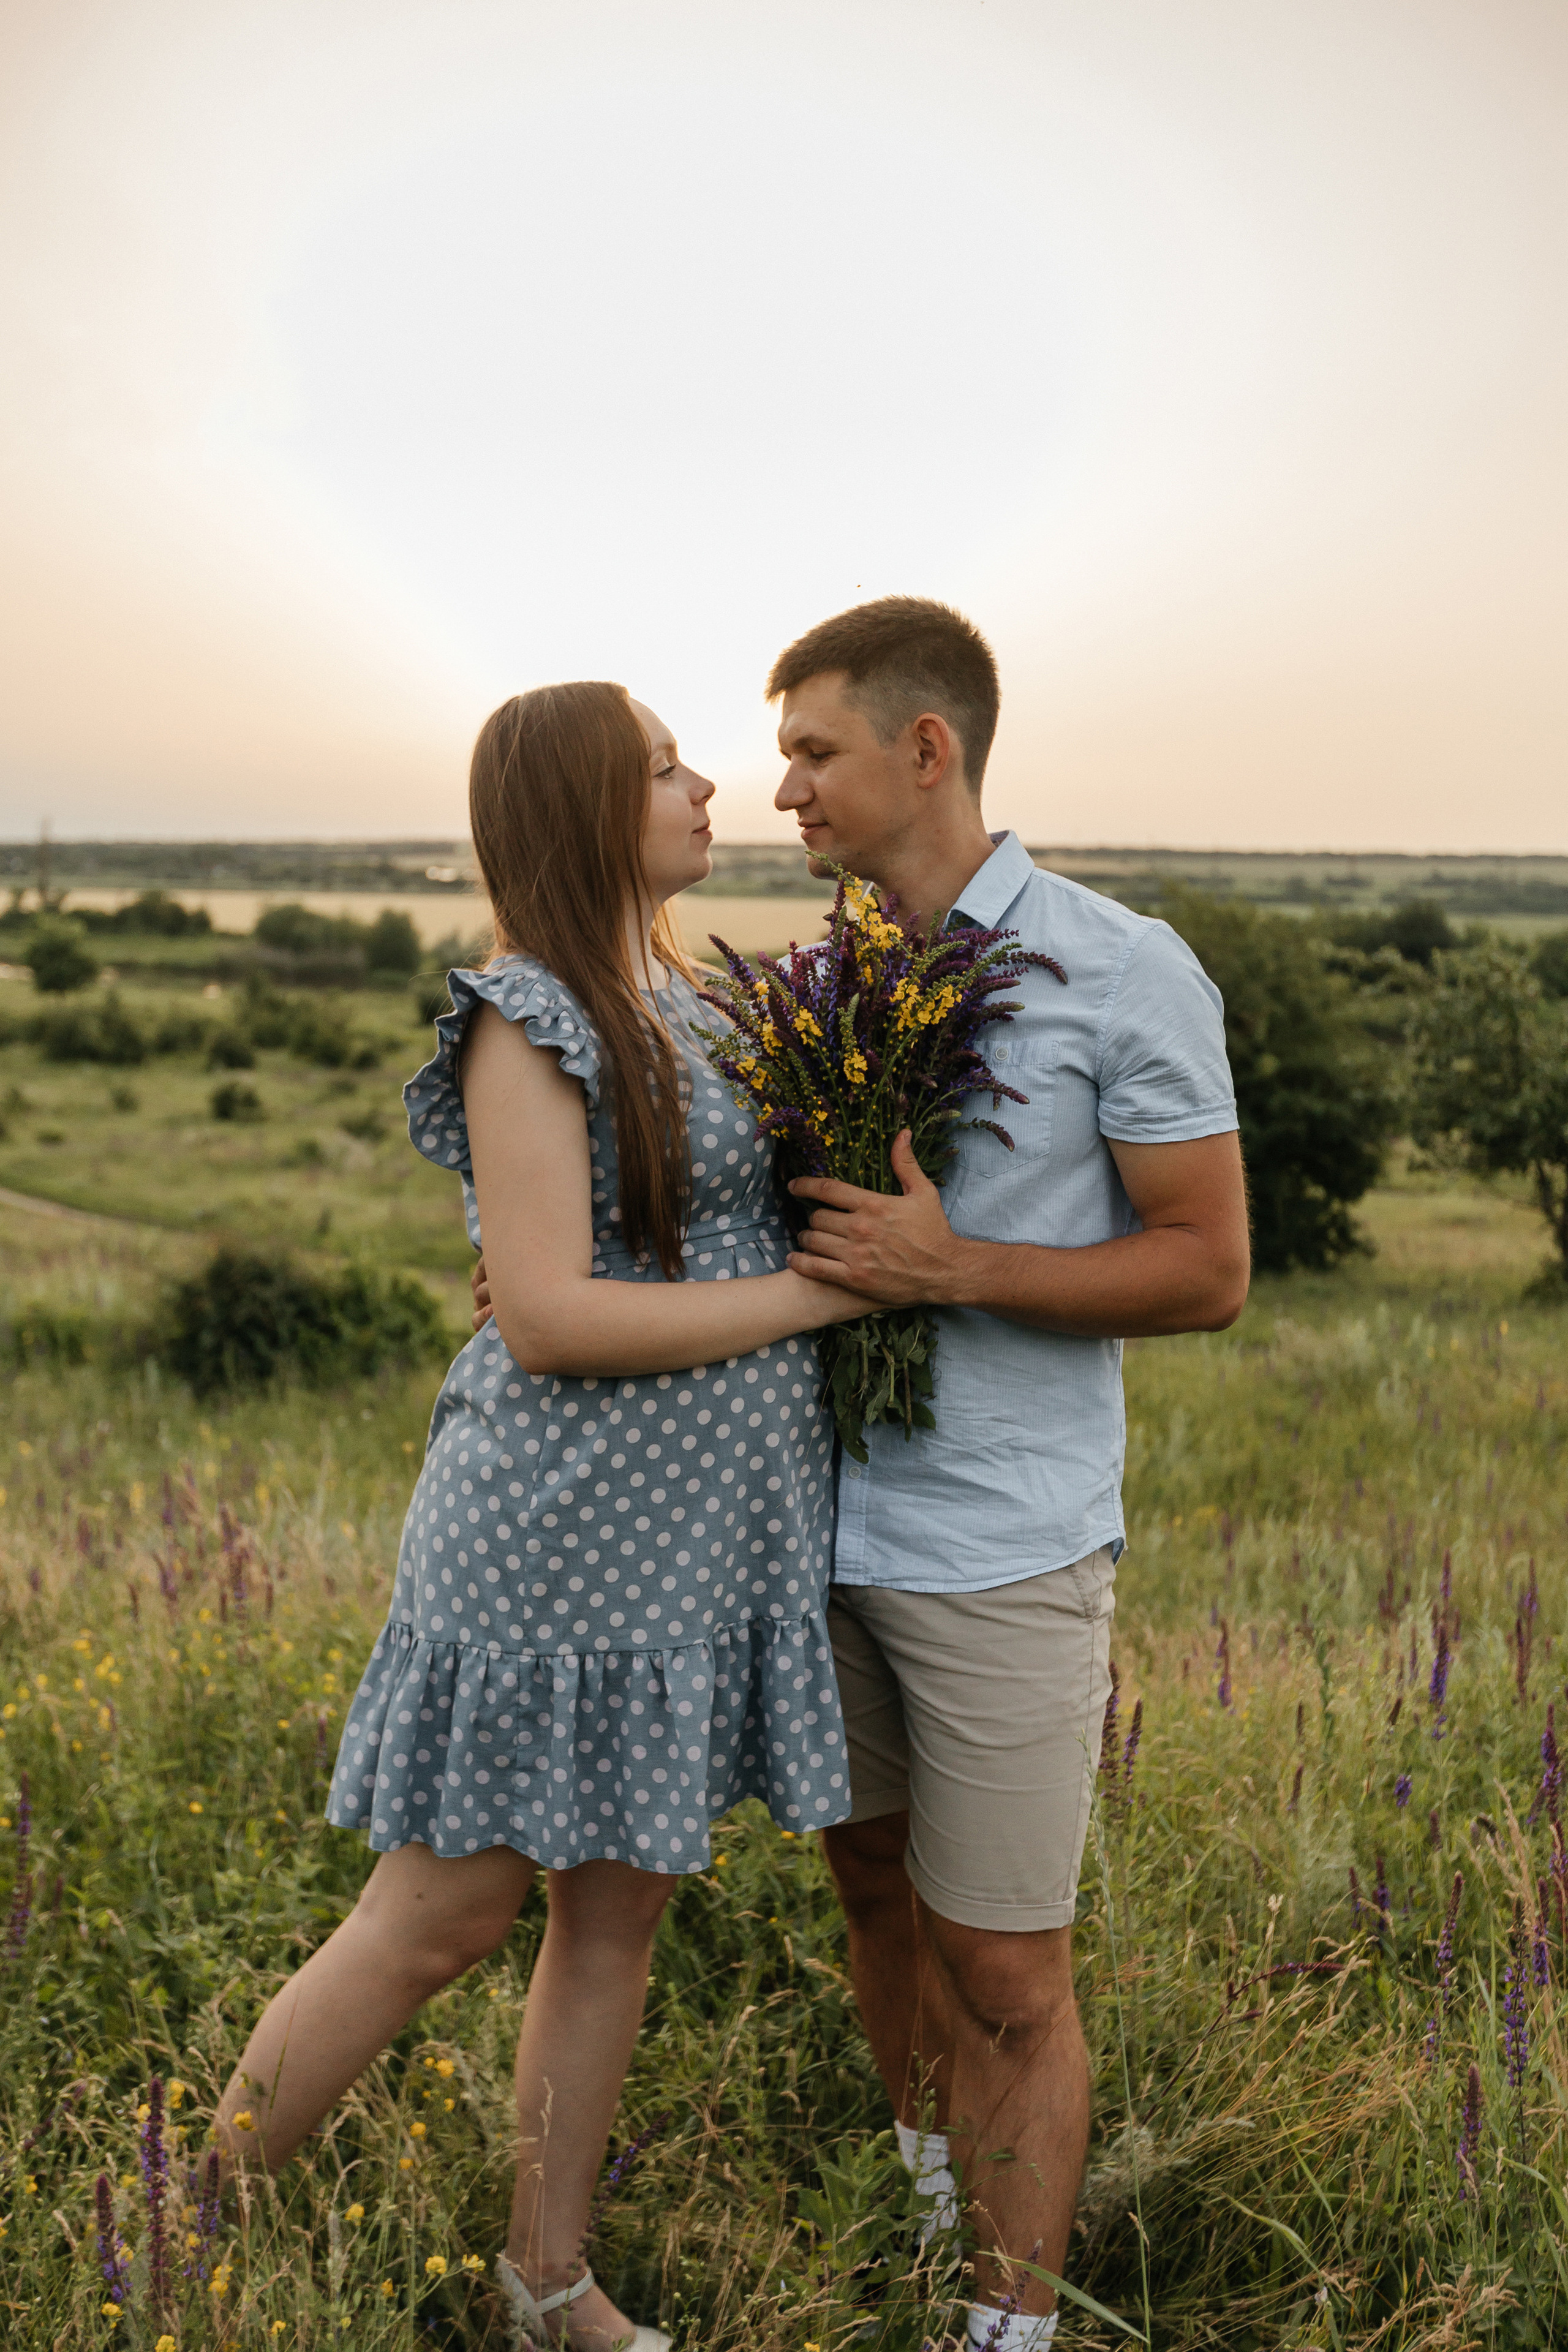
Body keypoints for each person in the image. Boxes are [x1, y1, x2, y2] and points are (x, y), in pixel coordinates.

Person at [216, 681, 864, 2352]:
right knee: (439, 1915)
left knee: (617, 1908)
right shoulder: (533, 1015)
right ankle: (169, 2229)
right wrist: (813, 1300)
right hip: (561, 1533)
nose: (711, 783)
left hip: (693, 1538)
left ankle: (548, 2281)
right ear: (588, 809)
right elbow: (557, 1319)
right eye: (664, 768)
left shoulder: (696, 992)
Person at [768, 597, 1250, 2352]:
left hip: (1004, 1551)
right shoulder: (824, 975)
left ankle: (1009, 2331)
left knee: (1007, 1971)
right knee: (871, 1892)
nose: (785, 793)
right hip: (821, 1532)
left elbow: (1207, 1268)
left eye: (813, 753)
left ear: (926, 748)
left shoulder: (1123, 968)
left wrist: (955, 1267)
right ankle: (921, 2203)